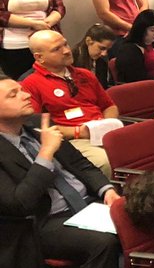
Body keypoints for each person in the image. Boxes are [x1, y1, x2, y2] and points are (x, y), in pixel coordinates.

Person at [0, 86, 148, 268]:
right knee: (101, 244)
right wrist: (46, 153)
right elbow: (19, 203)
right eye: (12, 95)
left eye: (21, 90)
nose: (25, 95)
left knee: (149, 210)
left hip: (86, 205)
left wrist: (106, 190)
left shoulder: (38, 124)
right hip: (39, 224)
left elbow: (81, 164)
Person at [22, 30, 119, 175]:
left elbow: (109, 106)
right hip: (71, 141)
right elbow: (36, 128)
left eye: (65, 44)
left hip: (102, 133)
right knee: (104, 160)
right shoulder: (30, 84)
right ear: (39, 57)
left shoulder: (84, 74)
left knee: (145, 147)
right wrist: (79, 132)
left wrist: (106, 125)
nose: (67, 51)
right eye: (57, 49)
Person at [71, 24, 119, 88]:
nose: (104, 54)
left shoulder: (102, 60)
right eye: (102, 48)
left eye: (107, 50)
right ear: (88, 41)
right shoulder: (71, 60)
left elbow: (103, 86)